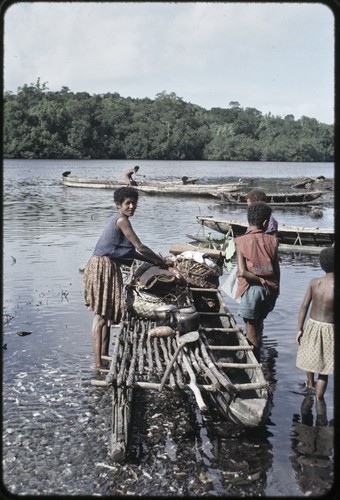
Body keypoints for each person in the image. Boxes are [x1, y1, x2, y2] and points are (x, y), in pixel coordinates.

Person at [83, 186, 168, 371]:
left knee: (106, 316)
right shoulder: (122, 220)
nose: (131, 206)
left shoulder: (120, 220)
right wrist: (161, 260)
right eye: (127, 203)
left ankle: (104, 357)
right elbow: (140, 246)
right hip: (103, 267)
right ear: (118, 205)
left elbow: (133, 253)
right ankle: (98, 364)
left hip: (108, 266)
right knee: (100, 317)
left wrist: (157, 263)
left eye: (133, 203)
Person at [235, 201, 280, 360]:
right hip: (269, 291)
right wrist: (275, 289)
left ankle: (255, 365)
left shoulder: (240, 241)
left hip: (251, 291)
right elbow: (276, 270)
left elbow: (242, 272)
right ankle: (260, 360)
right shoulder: (273, 241)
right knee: (259, 326)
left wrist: (260, 280)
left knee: (251, 333)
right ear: (266, 222)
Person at [295, 246, 334, 399]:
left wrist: (299, 328)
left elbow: (304, 306)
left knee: (310, 357)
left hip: (312, 326)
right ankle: (318, 399)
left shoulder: (314, 282)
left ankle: (310, 384)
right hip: (330, 329)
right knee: (324, 370)